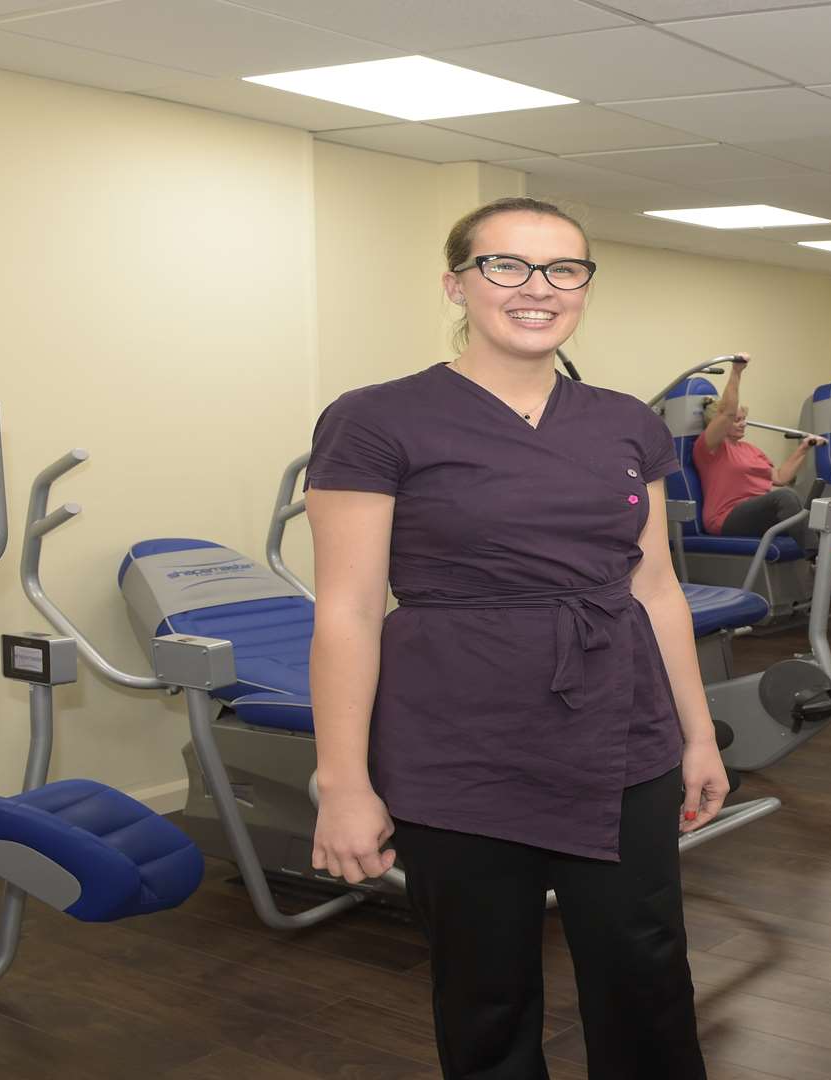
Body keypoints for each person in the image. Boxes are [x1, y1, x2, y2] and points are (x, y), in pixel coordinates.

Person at [305, 196, 717, 1080]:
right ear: (457, 283)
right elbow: (345, 609)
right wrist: (342, 782)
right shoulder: (377, 419)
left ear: (585, 287)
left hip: (619, 731)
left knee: (644, 969)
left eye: (565, 269)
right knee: (484, 989)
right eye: (508, 266)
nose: (539, 289)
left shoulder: (626, 423)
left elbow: (655, 587)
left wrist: (699, 733)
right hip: (458, 742)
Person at [695, 359, 831, 598]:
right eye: (735, 420)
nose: (742, 423)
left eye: (743, 418)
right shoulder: (710, 449)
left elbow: (780, 476)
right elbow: (727, 411)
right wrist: (736, 371)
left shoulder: (749, 449)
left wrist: (803, 448)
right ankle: (819, 556)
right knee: (786, 496)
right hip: (726, 518)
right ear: (718, 423)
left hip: (760, 514)